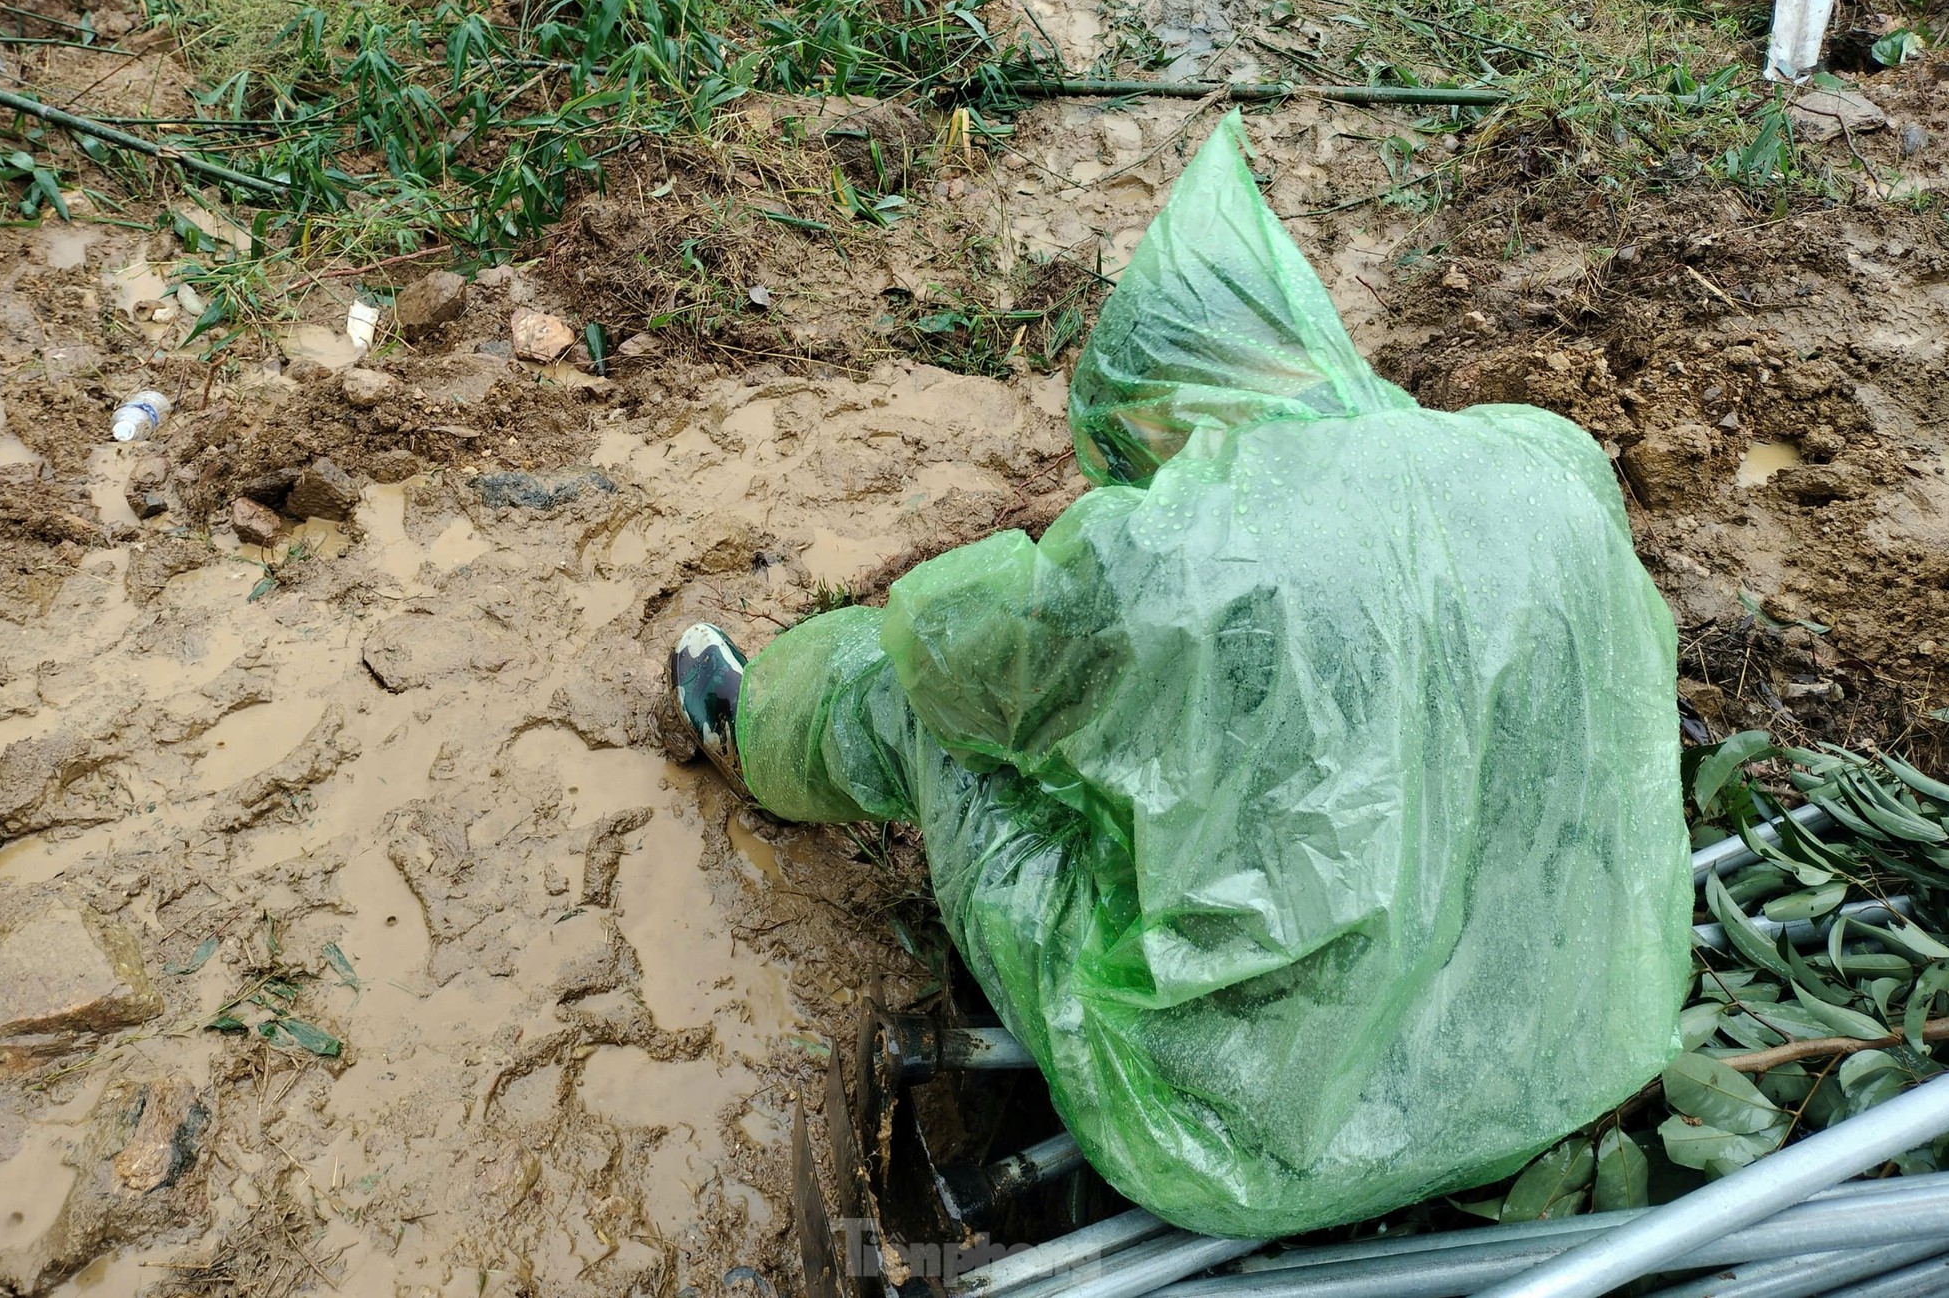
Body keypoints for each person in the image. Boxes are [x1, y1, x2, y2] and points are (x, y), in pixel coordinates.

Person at [666, 112, 1692, 1239]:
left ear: (1163, 410)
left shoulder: (1169, 561)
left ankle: (747, 728)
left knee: (911, 704)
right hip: (1580, 1045)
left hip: (1245, 1142)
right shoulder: (1545, 461)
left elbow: (951, 659)